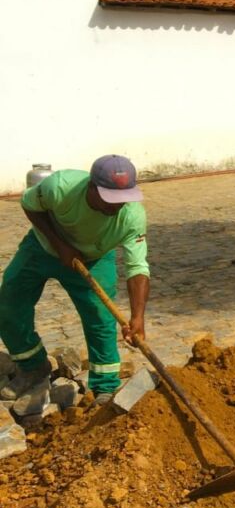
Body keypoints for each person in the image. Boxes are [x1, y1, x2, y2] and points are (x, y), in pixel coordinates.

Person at [0, 155, 149, 404]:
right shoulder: (59, 187)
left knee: (100, 318)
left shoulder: (132, 217)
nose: (117, 206)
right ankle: (33, 366)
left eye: (123, 198)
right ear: (91, 187)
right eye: (110, 198)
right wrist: (60, 245)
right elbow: (30, 204)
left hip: (94, 258)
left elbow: (138, 268)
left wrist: (138, 317)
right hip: (42, 247)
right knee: (9, 302)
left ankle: (105, 386)